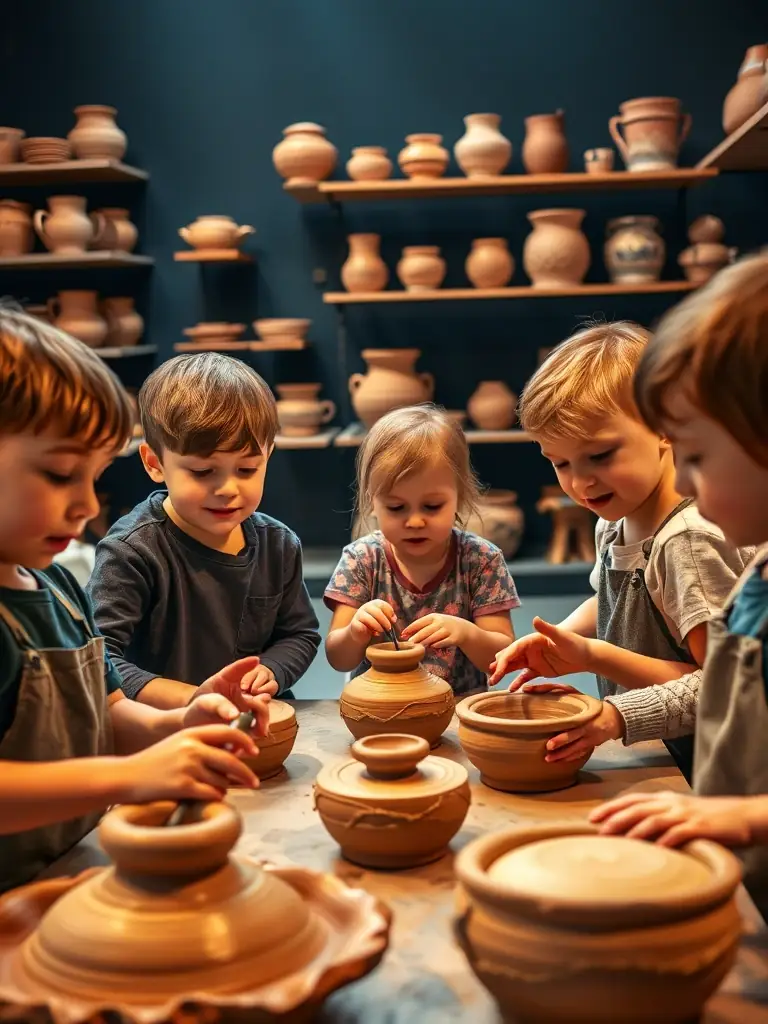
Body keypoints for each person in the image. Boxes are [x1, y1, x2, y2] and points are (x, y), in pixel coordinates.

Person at [0, 309, 268, 893]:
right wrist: (126, 779)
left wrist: (179, 723)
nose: (86, 507)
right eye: (59, 474)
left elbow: (112, 715)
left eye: (93, 478)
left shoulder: (57, 587)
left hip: (72, 872)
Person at [583, 253, 768, 914]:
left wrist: (747, 819)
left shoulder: (690, 540)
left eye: (695, 455)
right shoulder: (757, 574)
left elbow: (698, 676)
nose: (683, 484)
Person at [488, 321, 754, 781]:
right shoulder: (614, 520)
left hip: (716, 773)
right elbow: (617, 600)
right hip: (664, 752)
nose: (581, 482)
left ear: (665, 426)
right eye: (560, 463)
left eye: (601, 455)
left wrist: (598, 666)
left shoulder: (687, 542)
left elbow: (722, 687)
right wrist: (558, 639)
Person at [88, 353, 321, 709]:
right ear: (154, 463)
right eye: (202, 472)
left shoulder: (279, 545)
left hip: (252, 721)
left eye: (246, 469)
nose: (228, 488)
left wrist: (272, 670)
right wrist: (192, 699)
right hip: (161, 731)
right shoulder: (131, 552)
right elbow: (98, 660)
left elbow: (300, 634)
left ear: (268, 456)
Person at [325, 404, 519, 695]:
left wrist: (466, 633)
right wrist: (356, 631)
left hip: (456, 712)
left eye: (432, 506)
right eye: (396, 507)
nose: (415, 521)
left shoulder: (481, 560)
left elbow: (501, 658)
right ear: (372, 501)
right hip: (381, 709)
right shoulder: (361, 560)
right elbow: (338, 659)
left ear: (460, 495)